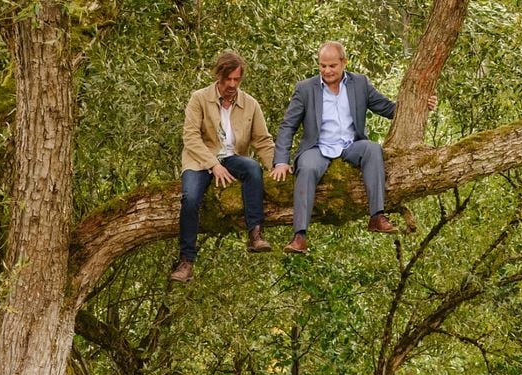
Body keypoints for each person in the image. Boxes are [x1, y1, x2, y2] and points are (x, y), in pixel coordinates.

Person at [272, 41, 438, 253]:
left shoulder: (360, 83)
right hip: (318, 147)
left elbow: (387, 108)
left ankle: (377, 216)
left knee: (373, 149)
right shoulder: (305, 89)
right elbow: (288, 126)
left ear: (344, 62)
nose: (327, 71)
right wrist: (280, 161)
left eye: (332, 66)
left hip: (352, 145)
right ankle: (299, 237)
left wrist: (422, 106)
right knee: (307, 168)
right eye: (322, 66)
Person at [171, 51, 277, 283]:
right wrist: (213, 165)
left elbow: (262, 141)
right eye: (227, 79)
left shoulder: (250, 104)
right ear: (218, 76)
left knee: (252, 168)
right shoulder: (199, 98)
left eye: (236, 80)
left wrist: (276, 167)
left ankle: (255, 233)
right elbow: (190, 137)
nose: (231, 84)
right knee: (190, 199)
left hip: (232, 157)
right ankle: (187, 260)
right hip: (200, 159)